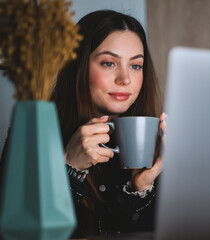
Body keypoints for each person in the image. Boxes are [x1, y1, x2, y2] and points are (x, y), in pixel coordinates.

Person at [50, 10, 166, 237]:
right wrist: (69, 169)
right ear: (79, 67)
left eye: (135, 66)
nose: (125, 79)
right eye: (108, 63)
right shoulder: (33, 135)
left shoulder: (156, 147)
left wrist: (140, 189)